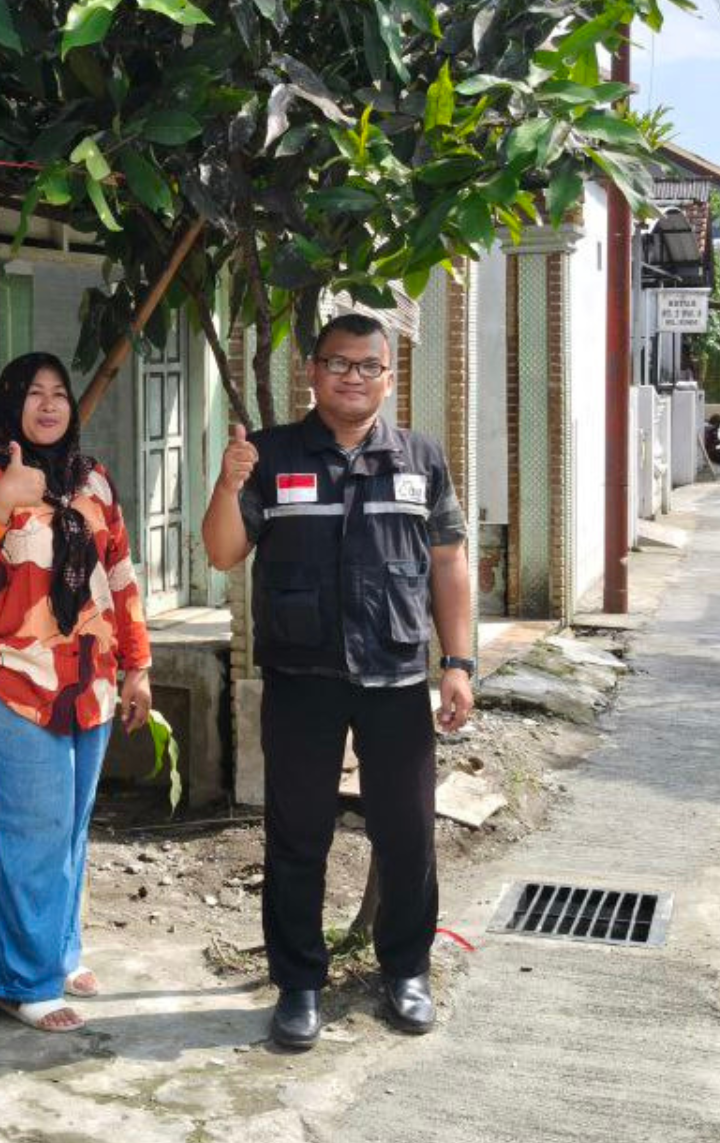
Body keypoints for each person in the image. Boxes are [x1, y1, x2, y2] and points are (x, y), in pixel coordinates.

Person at [200, 313, 473, 1052]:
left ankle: (406, 970)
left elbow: (449, 560)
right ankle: (299, 984)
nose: (354, 376)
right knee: (297, 835)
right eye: (339, 363)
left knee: (408, 831)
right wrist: (228, 485)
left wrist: (458, 663)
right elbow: (224, 551)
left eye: (369, 366)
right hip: (301, 677)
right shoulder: (273, 454)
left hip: (394, 675)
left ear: (390, 376)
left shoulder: (420, 458)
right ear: (312, 372)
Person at [0, 352, 153, 1033]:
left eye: (61, 392)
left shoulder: (92, 478)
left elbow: (119, 573)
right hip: (12, 674)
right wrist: (1, 502)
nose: (51, 404)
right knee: (29, 827)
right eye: (36, 393)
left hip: (88, 678)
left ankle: (57, 950)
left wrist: (138, 665)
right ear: (12, 401)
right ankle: (19, 979)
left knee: (69, 827)